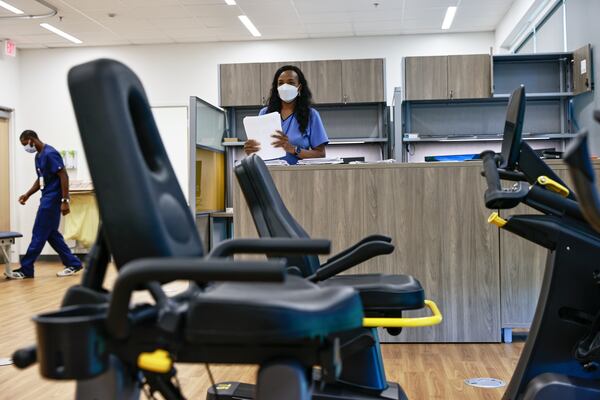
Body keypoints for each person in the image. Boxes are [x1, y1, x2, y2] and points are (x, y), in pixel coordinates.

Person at [7, 130, 83, 279]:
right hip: (46, 197)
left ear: (31, 140)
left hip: (52, 200)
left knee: (39, 233)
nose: (25, 148)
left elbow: (64, 176)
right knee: (51, 235)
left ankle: (26, 268)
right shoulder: (38, 156)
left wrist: (65, 200)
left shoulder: (50, 153)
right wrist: (27, 194)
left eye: (25, 144)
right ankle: (73, 263)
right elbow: (41, 179)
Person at [244, 65, 329, 165]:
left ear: (299, 87)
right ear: (277, 88)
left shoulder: (311, 115)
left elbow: (320, 153)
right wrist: (250, 150)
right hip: (268, 172)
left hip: (299, 174)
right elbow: (258, 152)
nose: (285, 87)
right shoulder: (264, 113)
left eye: (291, 83)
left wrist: (293, 149)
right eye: (280, 83)